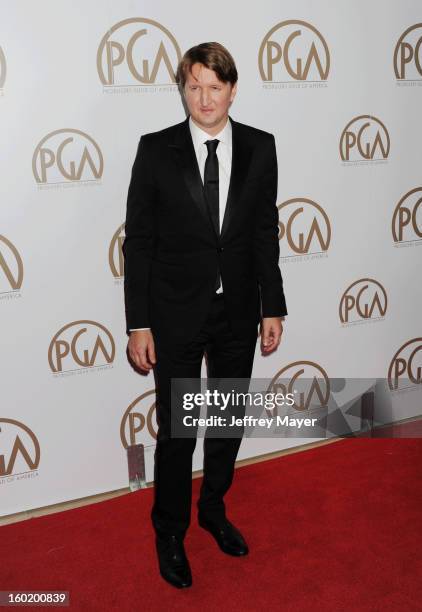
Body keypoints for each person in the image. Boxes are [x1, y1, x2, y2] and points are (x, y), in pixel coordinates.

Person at [123, 41, 287, 589]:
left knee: (225, 423)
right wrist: (138, 323)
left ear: (232, 89)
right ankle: (168, 530)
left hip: (239, 310)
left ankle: (213, 511)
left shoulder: (261, 148)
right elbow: (140, 243)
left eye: (215, 87)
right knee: (179, 430)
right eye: (194, 86)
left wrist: (274, 305)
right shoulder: (155, 149)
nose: (205, 97)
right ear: (183, 88)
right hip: (174, 313)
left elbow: (265, 232)